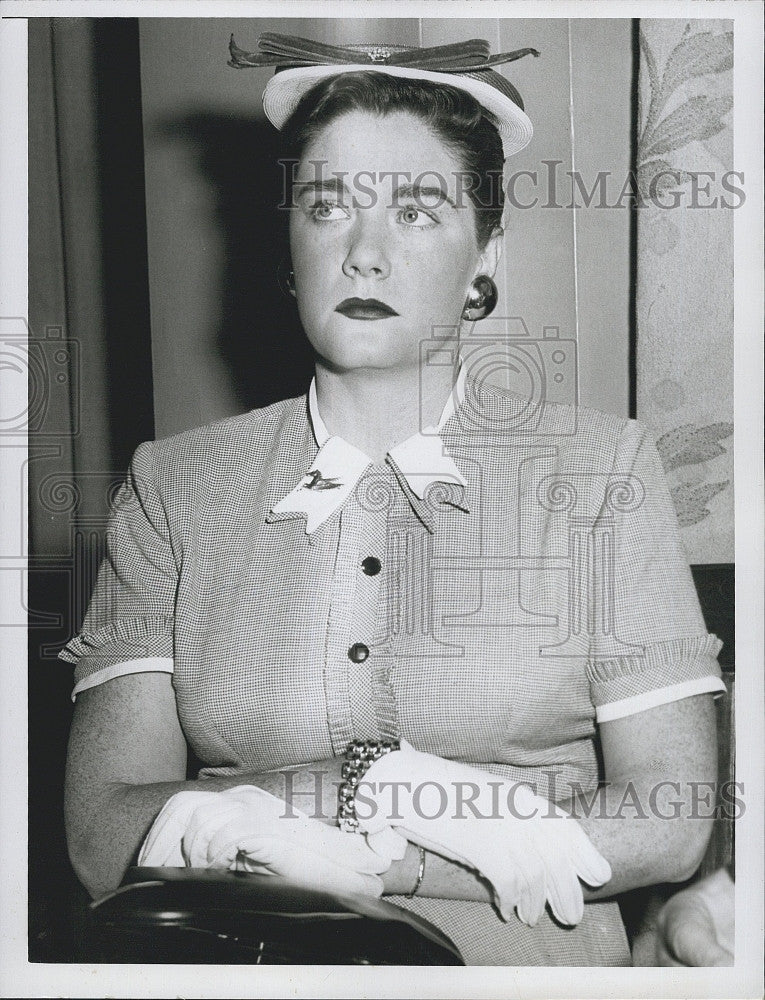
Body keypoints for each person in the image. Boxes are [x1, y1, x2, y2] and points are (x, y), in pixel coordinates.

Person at [61, 32, 726, 966]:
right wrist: (384, 785)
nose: (365, 254)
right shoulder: (173, 487)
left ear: (485, 251)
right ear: (288, 243)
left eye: (418, 213)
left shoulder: (601, 474)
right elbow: (99, 835)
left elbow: (672, 821)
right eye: (328, 207)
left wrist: (375, 846)